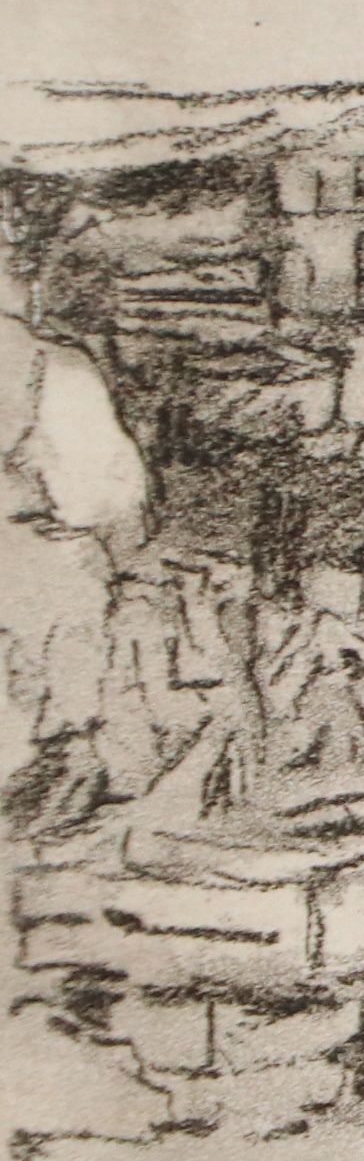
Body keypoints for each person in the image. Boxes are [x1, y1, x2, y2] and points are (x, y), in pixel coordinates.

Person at [0, 185, 149, 836]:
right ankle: (63, 759)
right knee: (72, 573)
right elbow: (103, 494)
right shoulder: (50, 365)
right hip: (31, 581)